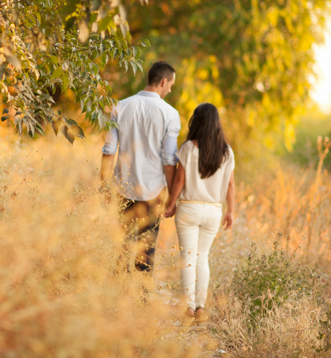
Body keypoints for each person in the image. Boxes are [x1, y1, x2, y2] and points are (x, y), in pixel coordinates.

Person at [100, 61, 180, 273]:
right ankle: (142, 300)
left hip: (122, 188)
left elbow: (108, 149)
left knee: (122, 248)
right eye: (170, 84)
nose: (170, 89)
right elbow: (169, 159)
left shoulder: (120, 106)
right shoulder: (170, 114)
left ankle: (118, 297)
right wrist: (172, 197)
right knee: (146, 252)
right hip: (153, 193)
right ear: (163, 81)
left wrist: (105, 186)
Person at [163, 103, 235, 321]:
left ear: (197, 121)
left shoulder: (188, 148)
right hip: (213, 211)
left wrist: (170, 204)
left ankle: (189, 307)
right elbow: (231, 184)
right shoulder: (227, 152)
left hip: (189, 208)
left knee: (188, 258)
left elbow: (179, 180)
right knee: (202, 257)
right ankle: (201, 307)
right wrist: (230, 211)